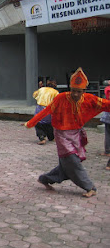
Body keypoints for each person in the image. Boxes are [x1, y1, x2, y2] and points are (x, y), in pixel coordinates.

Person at [24, 68, 110, 198]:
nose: (75, 94)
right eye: (73, 91)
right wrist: (31, 123)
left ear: (84, 91)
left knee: (66, 166)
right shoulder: (61, 97)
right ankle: (89, 187)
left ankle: (45, 179)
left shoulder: (89, 99)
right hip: (62, 134)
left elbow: (105, 104)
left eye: (79, 92)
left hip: (76, 134)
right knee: (72, 160)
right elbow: (47, 110)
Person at [32, 79, 59, 145]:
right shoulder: (55, 92)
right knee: (48, 123)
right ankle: (51, 137)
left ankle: (42, 137)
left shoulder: (41, 89)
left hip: (40, 108)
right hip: (49, 109)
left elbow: (34, 95)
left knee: (38, 123)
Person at [100, 83, 110, 158]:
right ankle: (107, 150)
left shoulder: (107, 89)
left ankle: (107, 150)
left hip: (108, 115)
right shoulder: (108, 89)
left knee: (108, 133)